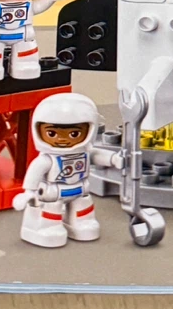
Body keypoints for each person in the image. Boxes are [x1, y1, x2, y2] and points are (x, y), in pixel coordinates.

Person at [13, 92, 124, 247]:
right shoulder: (47, 160)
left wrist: (114, 159)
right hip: (53, 192)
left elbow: (97, 155)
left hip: (79, 189)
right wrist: (29, 192)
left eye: (74, 133)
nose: (62, 140)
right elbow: (34, 172)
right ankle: (48, 228)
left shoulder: (85, 153)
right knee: (52, 209)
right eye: (52, 133)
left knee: (83, 206)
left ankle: (81, 223)